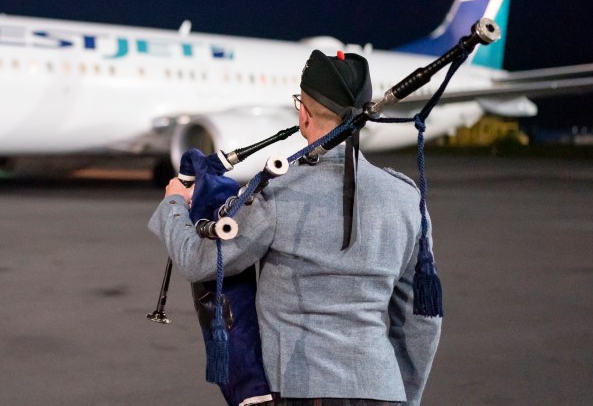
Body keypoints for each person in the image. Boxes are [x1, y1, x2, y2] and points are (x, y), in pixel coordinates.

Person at [149, 50, 441, 405]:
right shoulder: (407, 197)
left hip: (302, 392)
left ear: (303, 114)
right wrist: (400, 394)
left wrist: (174, 204)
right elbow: (421, 320)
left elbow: (200, 261)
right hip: (382, 389)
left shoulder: (276, 193)